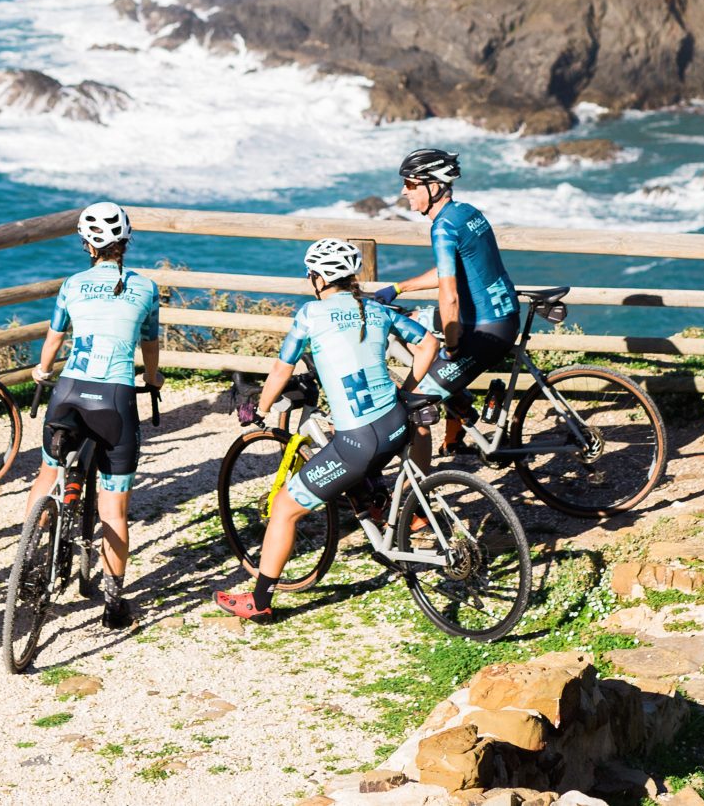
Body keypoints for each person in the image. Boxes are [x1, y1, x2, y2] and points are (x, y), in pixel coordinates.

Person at [213, 237, 439, 622]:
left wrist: (261, 409)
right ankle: (383, 508)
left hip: (361, 440)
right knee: (345, 453)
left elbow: (282, 369)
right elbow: (428, 343)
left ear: (317, 278)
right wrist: (407, 390)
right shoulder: (375, 309)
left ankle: (260, 600)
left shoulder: (309, 315)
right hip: (396, 422)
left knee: (284, 508)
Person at [27, 201, 164, 630]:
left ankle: (29, 560)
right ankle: (112, 603)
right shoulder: (146, 288)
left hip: (68, 393)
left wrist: (41, 371)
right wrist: (155, 379)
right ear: (125, 242)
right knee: (114, 508)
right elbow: (150, 347)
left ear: (88, 245)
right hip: (115, 400)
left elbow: (53, 340)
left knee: (47, 477)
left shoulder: (72, 284)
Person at [385, 148, 519, 462]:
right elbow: (455, 270)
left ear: (434, 185)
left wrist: (453, 347)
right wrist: (397, 288)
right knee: (412, 319)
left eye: (411, 183)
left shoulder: (443, 227)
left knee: (417, 406)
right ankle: (457, 426)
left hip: (484, 329)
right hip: (497, 315)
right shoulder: (467, 213)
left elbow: (450, 296)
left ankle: (417, 508)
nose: (405, 190)